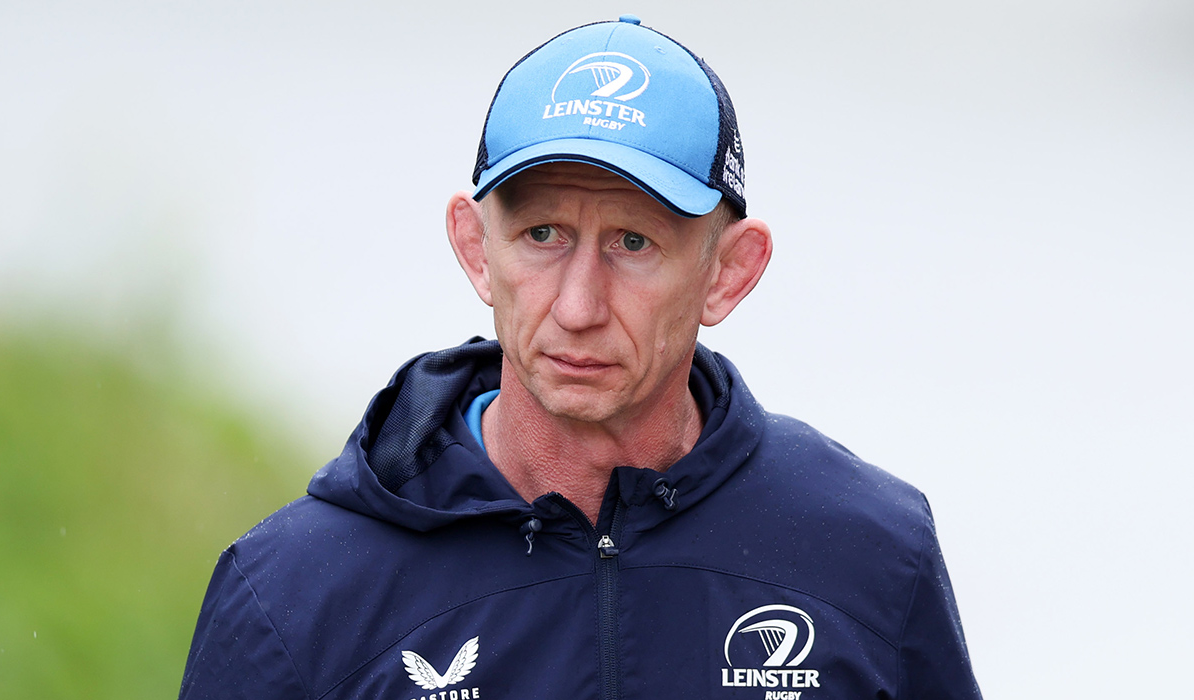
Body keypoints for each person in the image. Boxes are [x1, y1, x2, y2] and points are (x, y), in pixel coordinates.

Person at [179, 15, 982, 700]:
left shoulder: (870, 552)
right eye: (542, 236)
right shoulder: (292, 593)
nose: (577, 307)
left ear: (728, 273)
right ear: (475, 248)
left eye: (633, 243)